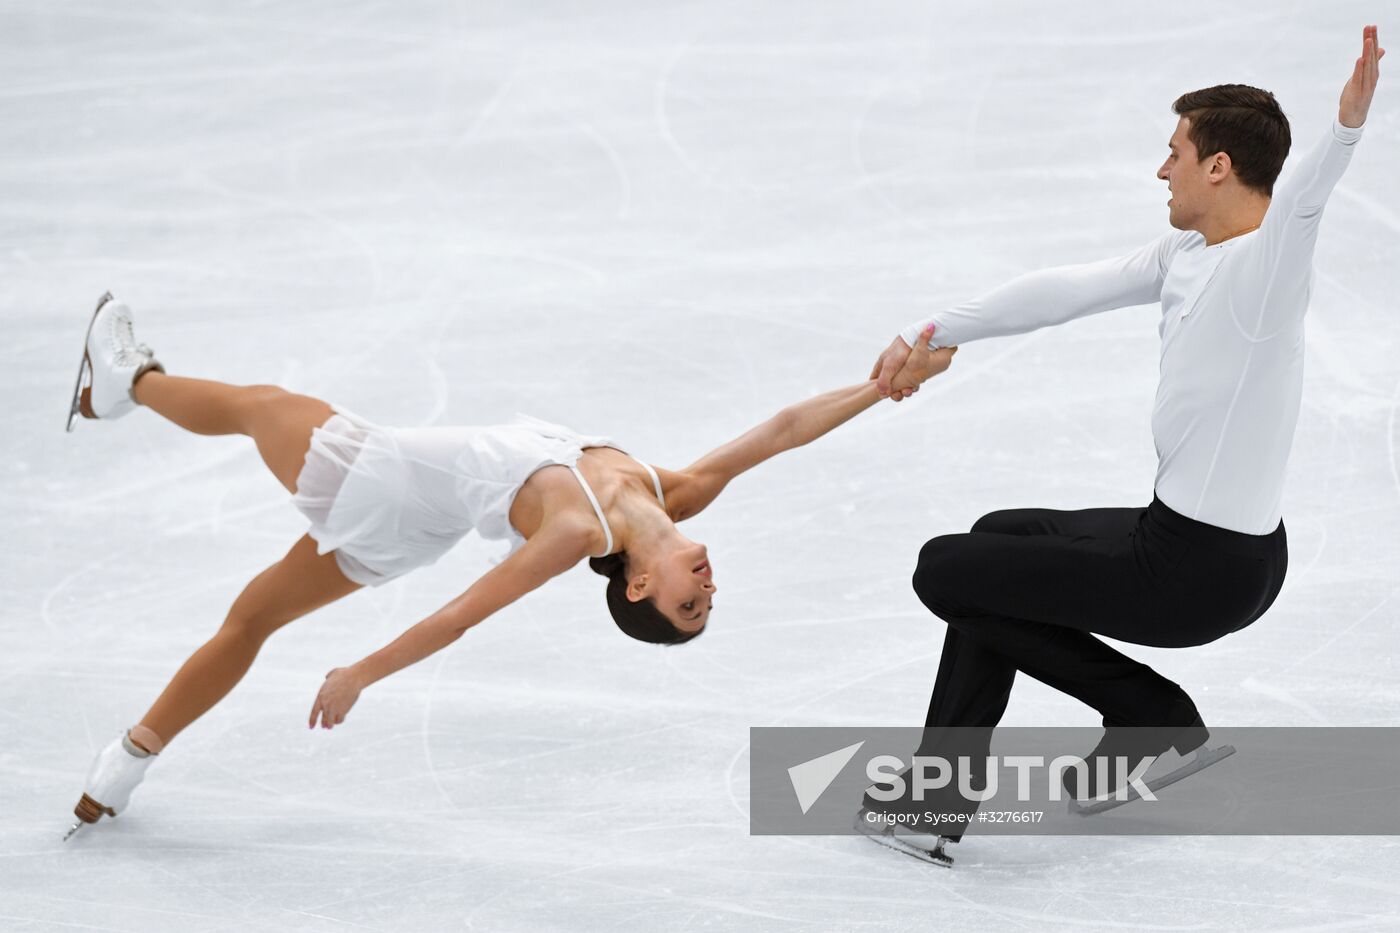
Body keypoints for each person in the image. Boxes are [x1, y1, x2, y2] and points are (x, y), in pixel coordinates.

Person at [62, 296, 956, 835]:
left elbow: (460, 616)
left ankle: (127, 382)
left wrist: (361, 671)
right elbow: (784, 431)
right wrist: (885, 384)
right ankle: (121, 768)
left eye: (690, 607)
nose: (708, 589)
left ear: (640, 585)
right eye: (707, 601)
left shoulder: (574, 529)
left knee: (265, 406)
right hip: (414, 525)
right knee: (252, 618)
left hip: (380, 481)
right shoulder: (675, 490)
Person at [860, 27, 1385, 860]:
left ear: (1219, 166)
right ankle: (952, 791)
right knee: (999, 538)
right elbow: (1067, 291)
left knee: (947, 569)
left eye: (1176, 150)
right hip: (1191, 541)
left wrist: (1346, 130)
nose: (1161, 168)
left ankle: (1150, 718)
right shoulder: (1187, 251)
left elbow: (1307, 200)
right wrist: (929, 327)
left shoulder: (1264, 272)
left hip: (1198, 574)